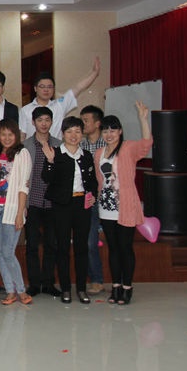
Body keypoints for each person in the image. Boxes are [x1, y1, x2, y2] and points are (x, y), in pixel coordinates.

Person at [96, 102, 152, 305]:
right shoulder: (99, 153)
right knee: (113, 248)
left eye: (113, 130)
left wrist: (143, 119)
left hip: (125, 206)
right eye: (105, 130)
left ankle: (127, 287)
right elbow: (99, 181)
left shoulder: (128, 148)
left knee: (125, 247)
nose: (109, 134)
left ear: (120, 131)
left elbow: (146, 144)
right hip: (106, 207)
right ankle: (116, 287)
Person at [42, 116, 99, 305]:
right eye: (69, 131)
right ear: (63, 134)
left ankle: (81, 289)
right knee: (63, 248)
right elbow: (46, 178)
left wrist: (93, 195)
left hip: (82, 205)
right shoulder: (55, 153)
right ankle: (66, 288)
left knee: (82, 247)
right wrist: (50, 161)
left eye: (77, 131)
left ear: (82, 134)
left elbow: (92, 182)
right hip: (62, 206)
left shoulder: (86, 155)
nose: (73, 135)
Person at [0, 119, 33, 306]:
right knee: (0, 251)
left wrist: (20, 213)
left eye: (10, 134)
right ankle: (10, 291)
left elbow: (24, 186)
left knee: (8, 252)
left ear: (16, 135)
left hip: (11, 209)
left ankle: (21, 290)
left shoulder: (22, 153)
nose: (7, 138)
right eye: (3, 134)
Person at [22, 106, 62, 298]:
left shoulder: (59, 145)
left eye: (47, 120)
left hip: (53, 202)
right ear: (33, 122)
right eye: (40, 120)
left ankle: (48, 283)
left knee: (51, 244)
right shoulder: (25, 146)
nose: (44, 124)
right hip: (32, 202)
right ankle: (34, 283)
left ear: (52, 122)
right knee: (31, 244)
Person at [18, 58, 101, 140]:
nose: (46, 90)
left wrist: (94, 73)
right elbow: (22, 135)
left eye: (49, 87)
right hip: (32, 148)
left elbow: (78, 88)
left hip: (56, 147)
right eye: (42, 86)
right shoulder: (25, 110)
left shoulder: (59, 105)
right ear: (35, 88)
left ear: (53, 89)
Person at [80, 105, 107, 295]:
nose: (83, 124)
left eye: (86, 120)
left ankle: (120, 281)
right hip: (89, 199)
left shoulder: (109, 144)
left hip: (109, 199)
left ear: (97, 123)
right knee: (89, 242)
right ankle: (96, 279)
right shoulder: (80, 145)